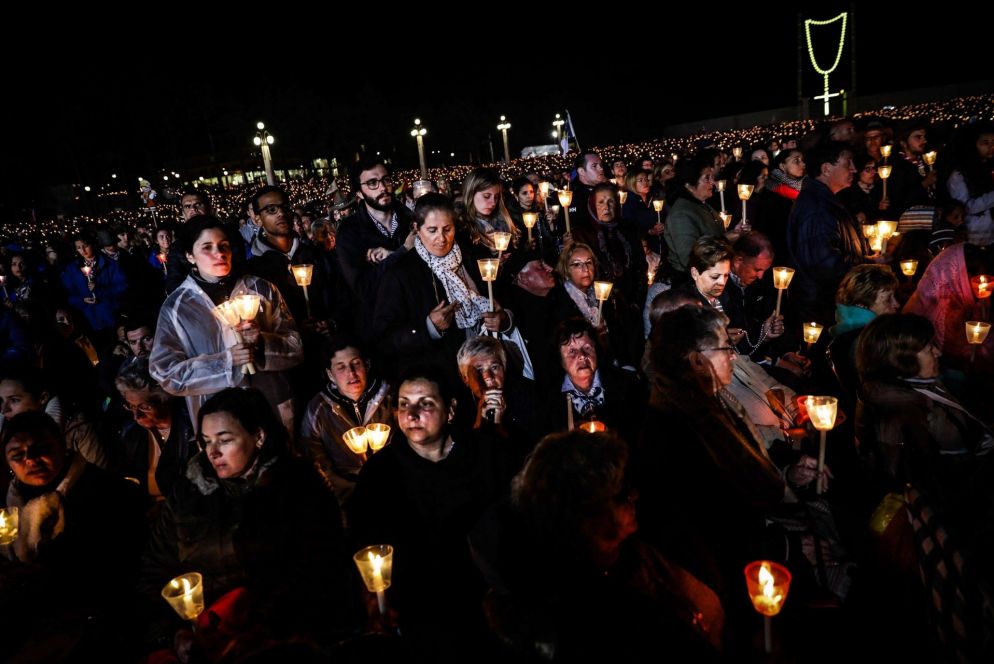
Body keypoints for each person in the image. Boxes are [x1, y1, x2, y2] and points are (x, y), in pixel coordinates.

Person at [141, 387, 360, 659]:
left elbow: (318, 568)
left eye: (225, 440)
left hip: (278, 638)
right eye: (206, 441)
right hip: (202, 638)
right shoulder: (189, 491)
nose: (213, 452)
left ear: (258, 436)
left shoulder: (299, 486)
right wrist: (173, 633)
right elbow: (155, 568)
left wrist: (254, 627)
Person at [470, 430, 725, 661]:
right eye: (621, 493)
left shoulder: (636, 549)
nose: (634, 495)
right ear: (588, 521)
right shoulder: (601, 624)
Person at [349, 366, 513, 660]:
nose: (411, 415)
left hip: (486, 605)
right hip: (420, 612)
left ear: (450, 409)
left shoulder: (486, 454)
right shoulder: (381, 473)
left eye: (425, 403)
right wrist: (372, 597)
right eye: (404, 404)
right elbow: (365, 540)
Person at [2, 411, 146, 661]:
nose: (31, 460)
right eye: (17, 455)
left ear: (62, 445)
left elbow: (117, 571)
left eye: (41, 449)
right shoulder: (13, 504)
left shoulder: (109, 493)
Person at [149, 215, 303, 433]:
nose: (219, 253)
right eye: (207, 248)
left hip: (270, 406)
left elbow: (295, 347)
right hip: (217, 418)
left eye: (224, 246)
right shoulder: (177, 308)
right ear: (190, 255)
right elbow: (166, 373)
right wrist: (227, 361)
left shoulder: (261, 289)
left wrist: (261, 344)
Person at [372, 194, 512, 377]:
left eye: (447, 229)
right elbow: (384, 339)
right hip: (442, 374)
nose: (442, 238)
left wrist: (504, 319)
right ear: (416, 228)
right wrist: (429, 328)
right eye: (432, 230)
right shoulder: (401, 274)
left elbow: (505, 298)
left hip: (491, 366)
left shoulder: (473, 255)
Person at [299, 336, 392, 508]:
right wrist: (350, 490)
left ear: (367, 365)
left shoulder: (388, 398)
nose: (351, 373)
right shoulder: (318, 410)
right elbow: (315, 460)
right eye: (341, 367)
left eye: (356, 363)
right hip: (345, 495)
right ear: (330, 374)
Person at [787, 141, 870, 325]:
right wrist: (867, 265)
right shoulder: (816, 207)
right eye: (848, 163)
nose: (854, 169)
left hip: (830, 303)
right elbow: (824, 263)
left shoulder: (824, 201)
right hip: (823, 307)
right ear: (826, 168)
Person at [114, 358, 197, 508]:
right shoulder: (131, 434)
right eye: (130, 406)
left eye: (145, 407)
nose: (136, 415)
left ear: (165, 399)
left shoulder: (190, 431)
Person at [546, 318, 644, 442]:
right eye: (572, 351)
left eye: (587, 348)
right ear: (560, 360)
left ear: (596, 351)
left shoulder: (626, 384)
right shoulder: (551, 401)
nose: (582, 356)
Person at [827, 264, 899, 399]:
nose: (896, 304)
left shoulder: (847, 330)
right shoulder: (870, 341)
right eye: (888, 299)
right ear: (862, 304)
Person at [61, 231, 129, 338]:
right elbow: (68, 294)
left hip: (111, 316)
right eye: (79, 248)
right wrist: (82, 300)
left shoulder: (109, 264)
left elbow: (122, 286)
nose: (83, 250)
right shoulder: (72, 269)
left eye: (86, 246)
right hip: (89, 320)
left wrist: (101, 290)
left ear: (92, 244)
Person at [663, 156, 724, 275]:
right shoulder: (681, 215)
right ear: (689, 185)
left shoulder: (703, 205)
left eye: (712, 177)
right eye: (707, 178)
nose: (713, 182)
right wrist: (726, 239)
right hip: (691, 279)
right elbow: (689, 259)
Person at [944, 121, 994, 246]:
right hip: (974, 237)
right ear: (972, 145)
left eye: (993, 142)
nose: (991, 147)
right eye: (985, 143)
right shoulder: (959, 175)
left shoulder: (985, 168)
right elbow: (968, 207)